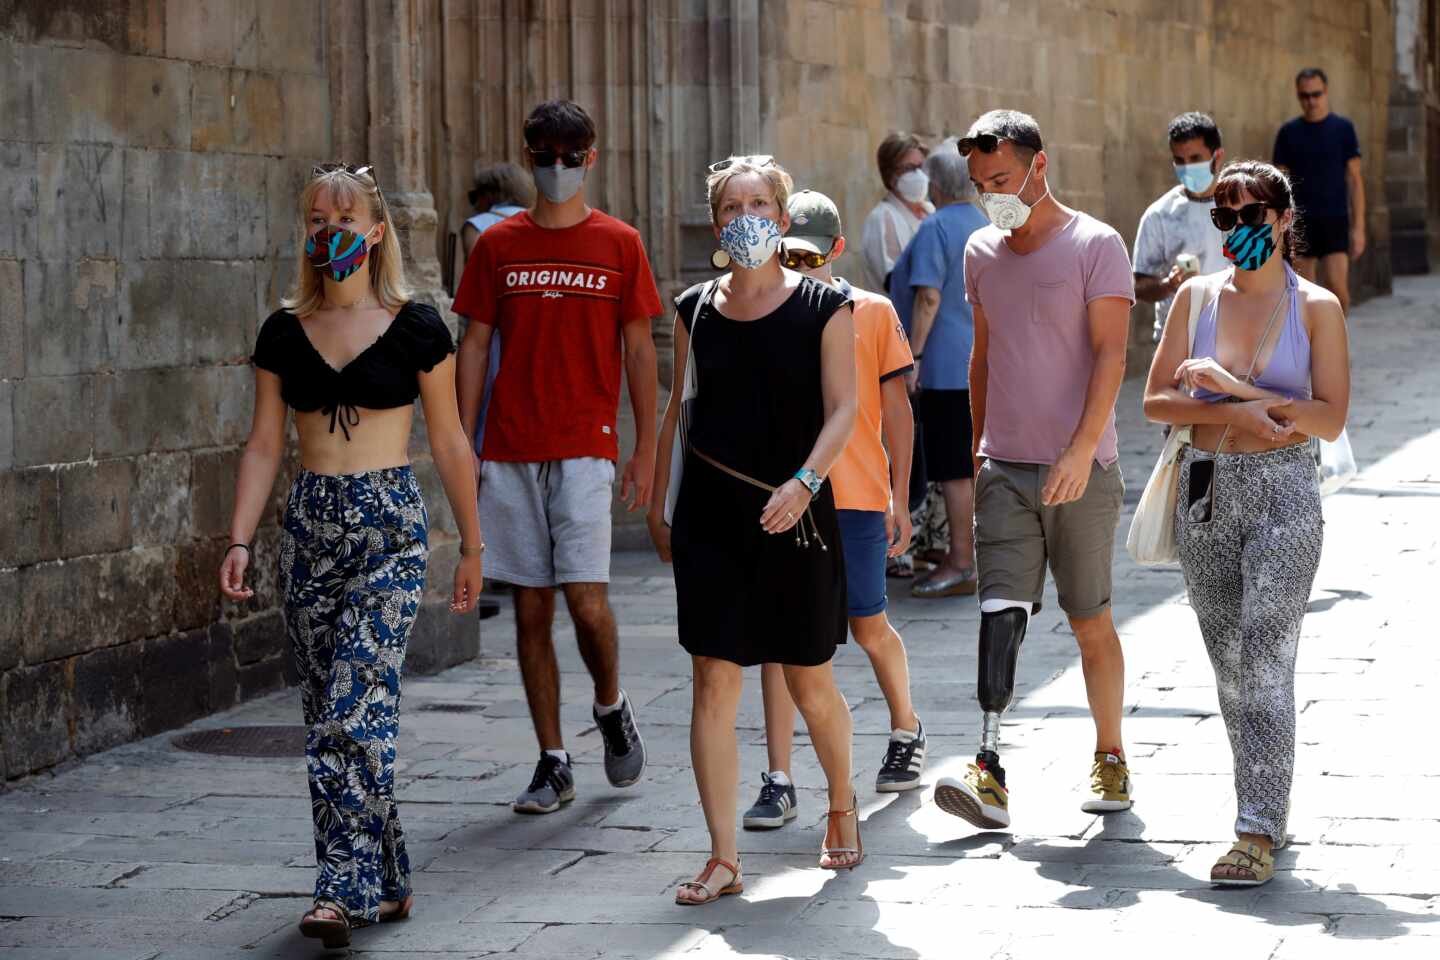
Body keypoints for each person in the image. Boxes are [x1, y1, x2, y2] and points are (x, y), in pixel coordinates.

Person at [219, 163, 485, 947]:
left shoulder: (416, 325)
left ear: (375, 231)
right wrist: (240, 537)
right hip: (310, 529)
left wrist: (471, 548)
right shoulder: (281, 330)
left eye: (343, 216)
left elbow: (448, 441)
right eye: (315, 217)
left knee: (352, 715)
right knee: (330, 716)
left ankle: (341, 889)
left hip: (387, 526)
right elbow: (266, 443)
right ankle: (391, 875)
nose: (328, 229)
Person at [647, 158, 862, 903]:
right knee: (712, 678)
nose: (748, 214)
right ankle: (724, 857)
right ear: (717, 223)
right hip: (712, 514)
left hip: (794, 513)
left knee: (808, 679)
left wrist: (806, 483)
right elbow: (684, 409)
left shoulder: (825, 307)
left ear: (781, 215)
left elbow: (845, 409)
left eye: (760, 202)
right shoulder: (694, 308)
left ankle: (840, 800)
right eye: (733, 205)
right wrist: (659, 500)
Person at [1143, 161, 1349, 887]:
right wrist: (1231, 411)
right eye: (1225, 217)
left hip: (1286, 488)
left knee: (1265, 654)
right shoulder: (1196, 296)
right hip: (1203, 486)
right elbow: (1157, 403)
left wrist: (1240, 388)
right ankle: (1269, 802)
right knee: (1231, 665)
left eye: (1251, 214)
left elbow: (1329, 416)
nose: (1236, 229)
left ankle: (1255, 826)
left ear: (1284, 219)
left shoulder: (1316, 306)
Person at [453, 100, 660, 815]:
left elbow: (639, 348)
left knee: (586, 601)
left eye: (572, 155)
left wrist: (646, 453)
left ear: (591, 157)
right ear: (529, 153)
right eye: (546, 154)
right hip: (510, 445)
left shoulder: (620, 244)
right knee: (530, 608)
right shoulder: (497, 247)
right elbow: (474, 344)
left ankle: (611, 701)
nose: (559, 167)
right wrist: (462, 442)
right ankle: (552, 759)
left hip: (585, 446)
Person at [932, 111, 1136, 831]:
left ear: (1039, 166)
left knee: (1090, 622)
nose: (993, 195)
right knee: (998, 616)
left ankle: (1110, 755)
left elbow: (1112, 354)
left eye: (1003, 179)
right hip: (1004, 466)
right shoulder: (981, 251)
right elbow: (980, 355)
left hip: (1083, 468)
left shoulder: (1096, 244)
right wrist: (976, 446)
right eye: (982, 185)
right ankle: (988, 769)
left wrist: (1082, 449)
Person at [741, 188, 922, 830]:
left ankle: (906, 727)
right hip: (784, 499)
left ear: (836, 252)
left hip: (856, 495)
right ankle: (779, 776)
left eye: (812, 257)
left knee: (868, 623)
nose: (803, 267)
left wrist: (902, 493)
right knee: (777, 641)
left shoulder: (869, 311)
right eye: (793, 255)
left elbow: (897, 408)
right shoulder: (761, 307)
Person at [888, 138, 989, 599]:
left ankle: (961, 562)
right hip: (980, 362)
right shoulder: (986, 223)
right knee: (968, 465)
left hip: (945, 368)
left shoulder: (937, 227)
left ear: (936, 184)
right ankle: (966, 556)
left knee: (952, 470)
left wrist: (915, 357)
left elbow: (927, 297)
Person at [1273, 68, 1365, 315]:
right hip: (1301, 221)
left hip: (1335, 218)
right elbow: (1278, 184)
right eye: (1305, 96)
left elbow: (1355, 181)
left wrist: (1359, 228)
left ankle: (1338, 344)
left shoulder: (1343, 129)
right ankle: (1309, 351)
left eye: (1316, 94)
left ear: (1326, 92)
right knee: (1304, 293)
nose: (1311, 101)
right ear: (1298, 96)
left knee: (1338, 289)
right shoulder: (1288, 133)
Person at [1134, 112, 1229, 342]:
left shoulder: (1241, 208)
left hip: (1232, 332)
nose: (1187, 168)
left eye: (1196, 158)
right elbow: (1138, 285)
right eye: (1179, 161)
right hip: (1176, 337)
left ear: (1217, 157)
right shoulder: (1159, 215)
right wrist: (1169, 284)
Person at [458, 162, 532, 459]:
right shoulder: (537, 222)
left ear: (490, 193)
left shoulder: (478, 227)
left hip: (491, 330)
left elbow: (478, 290)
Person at [860, 132, 933, 292]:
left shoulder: (931, 211)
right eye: (909, 168)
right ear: (890, 175)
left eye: (921, 167)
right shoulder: (880, 219)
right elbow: (893, 282)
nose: (918, 175)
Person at [461, 161, 532, 260]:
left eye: (475, 196)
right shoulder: (539, 220)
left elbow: (476, 268)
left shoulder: (477, 225)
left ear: (488, 194)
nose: (475, 205)